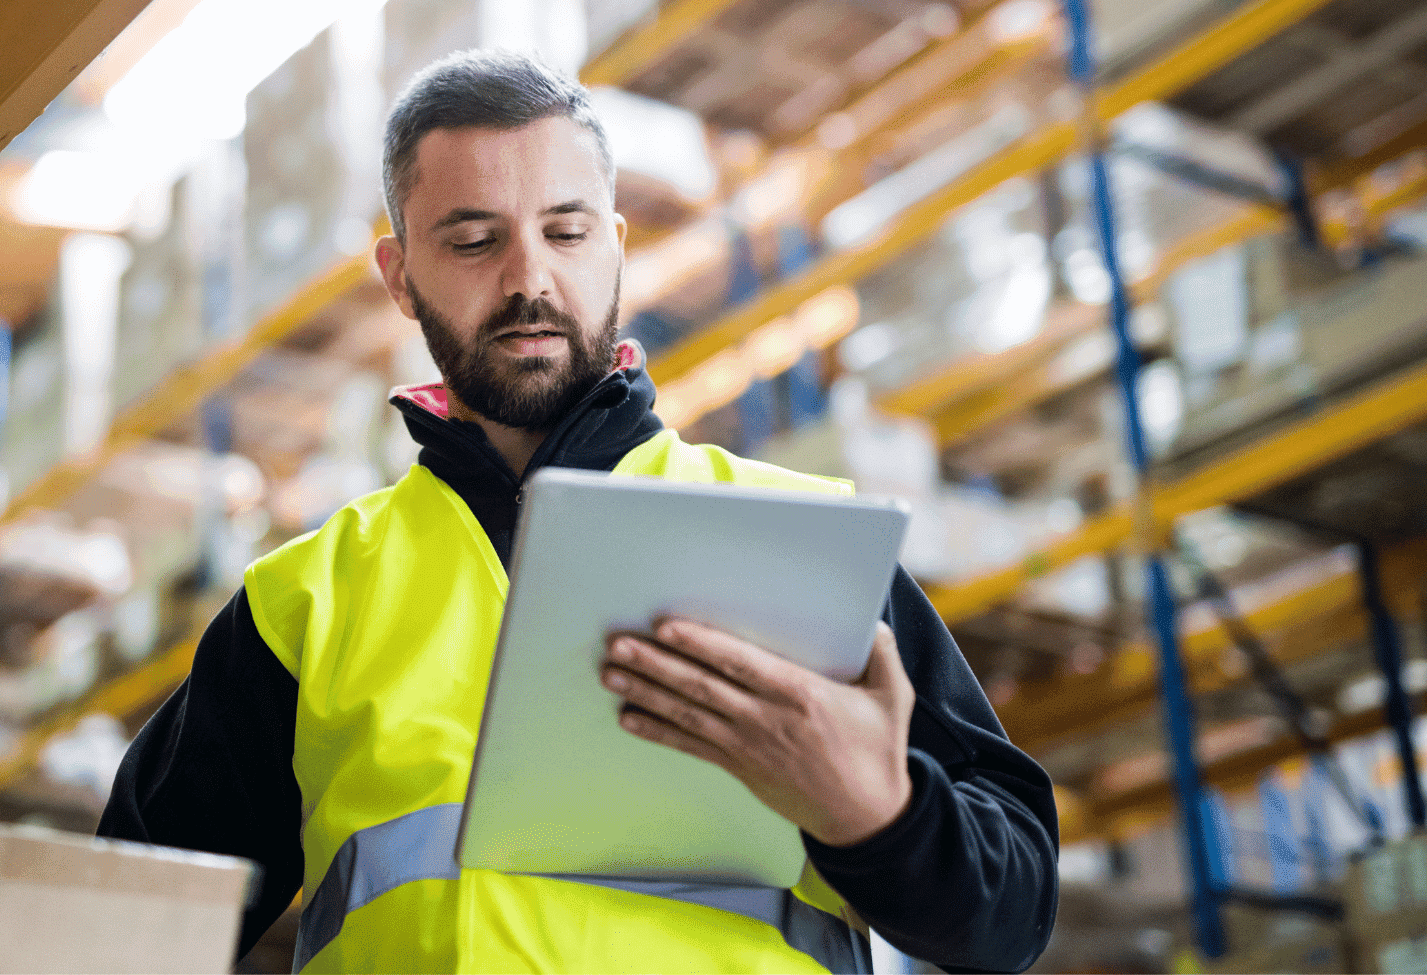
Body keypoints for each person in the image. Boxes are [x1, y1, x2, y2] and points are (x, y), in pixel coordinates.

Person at [99, 49, 1058, 974]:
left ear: (615, 244)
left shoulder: (802, 542)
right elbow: (114, 938)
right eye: (474, 241)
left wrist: (881, 817)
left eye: (566, 232)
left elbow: (1011, 918)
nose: (529, 280)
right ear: (398, 277)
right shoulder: (302, 610)